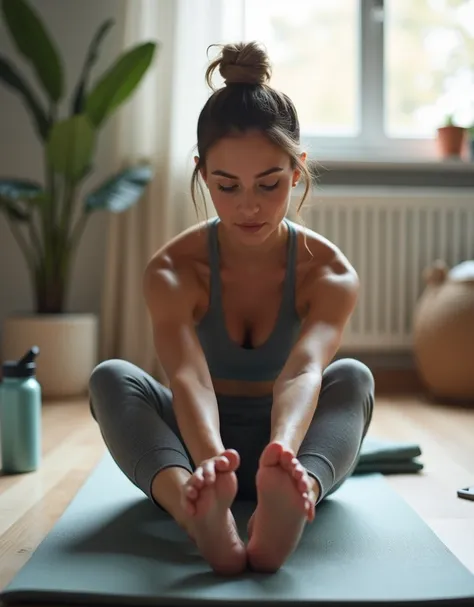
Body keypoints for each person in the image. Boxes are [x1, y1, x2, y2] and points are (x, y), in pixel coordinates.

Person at [88, 41, 375, 576]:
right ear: (201, 173)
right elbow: (189, 376)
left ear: (296, 170)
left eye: (269, 184)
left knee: (353, 377)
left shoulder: (329, 272)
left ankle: (295, 493)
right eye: (226, 185)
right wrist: (211, 461)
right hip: (195, 440)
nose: (249, 205)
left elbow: (304, 370)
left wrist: (282, 457)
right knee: (111, 377)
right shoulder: (172, 269)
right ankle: (195, 508)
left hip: (287, 437)